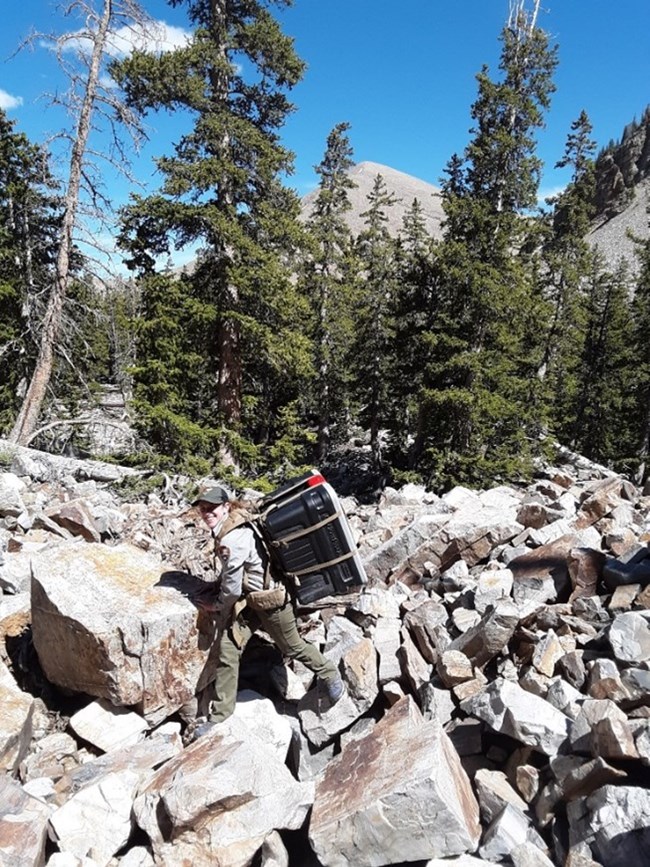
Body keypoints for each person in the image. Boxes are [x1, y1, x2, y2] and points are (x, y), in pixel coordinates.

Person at [191, 486, 344, 732]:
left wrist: (215, 605)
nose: (207, 512)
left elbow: (231, 592)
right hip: (253, 600)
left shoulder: (231, 539)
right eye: (203, 508)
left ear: (226, 507)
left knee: (291, 646)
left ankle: (330, 674)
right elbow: (239, 573)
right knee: (229, 648)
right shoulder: (235, 524)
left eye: (212, 508)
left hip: (271, 601)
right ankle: (220, 717)